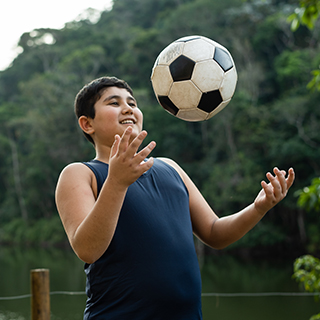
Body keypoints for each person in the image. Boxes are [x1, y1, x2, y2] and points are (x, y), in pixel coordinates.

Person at [55, 76, 295, 320]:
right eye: (114, 103)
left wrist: (258, 207)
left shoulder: (170, 168)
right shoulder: (80, 174)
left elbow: (215, 233)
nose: (128, 108)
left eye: (132, 102)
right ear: (87, 124)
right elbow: (87, 249)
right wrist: (116, 182)